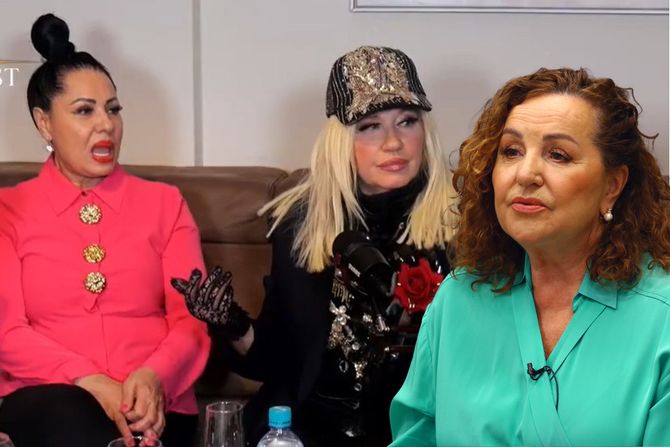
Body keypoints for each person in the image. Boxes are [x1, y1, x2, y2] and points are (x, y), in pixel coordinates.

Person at [172, 45, 457, 446]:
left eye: (407, 121)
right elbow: (276, 362)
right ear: (341, 141)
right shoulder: (302, 225)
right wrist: (233, 324)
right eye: (370, 126)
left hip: (413, 429)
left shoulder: (459, 224)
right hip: (307, 427)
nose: (394, 142)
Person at [389, 67, 670, 446]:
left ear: (612, 186)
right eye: (511, 151)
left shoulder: (662, 319)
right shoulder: (458, 298)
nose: (525, 174)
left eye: (558, 155)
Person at [0, 14, 210, 447]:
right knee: (69, 415)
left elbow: (191, 319)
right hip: (49, 401)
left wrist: (153, 378)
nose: (106, 125)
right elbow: (7, 332)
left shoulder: (165, 204)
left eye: (113, 109)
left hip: (154, 404)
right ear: (44, 122)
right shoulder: (8, 211)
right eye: (84, 111)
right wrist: (91, 381)